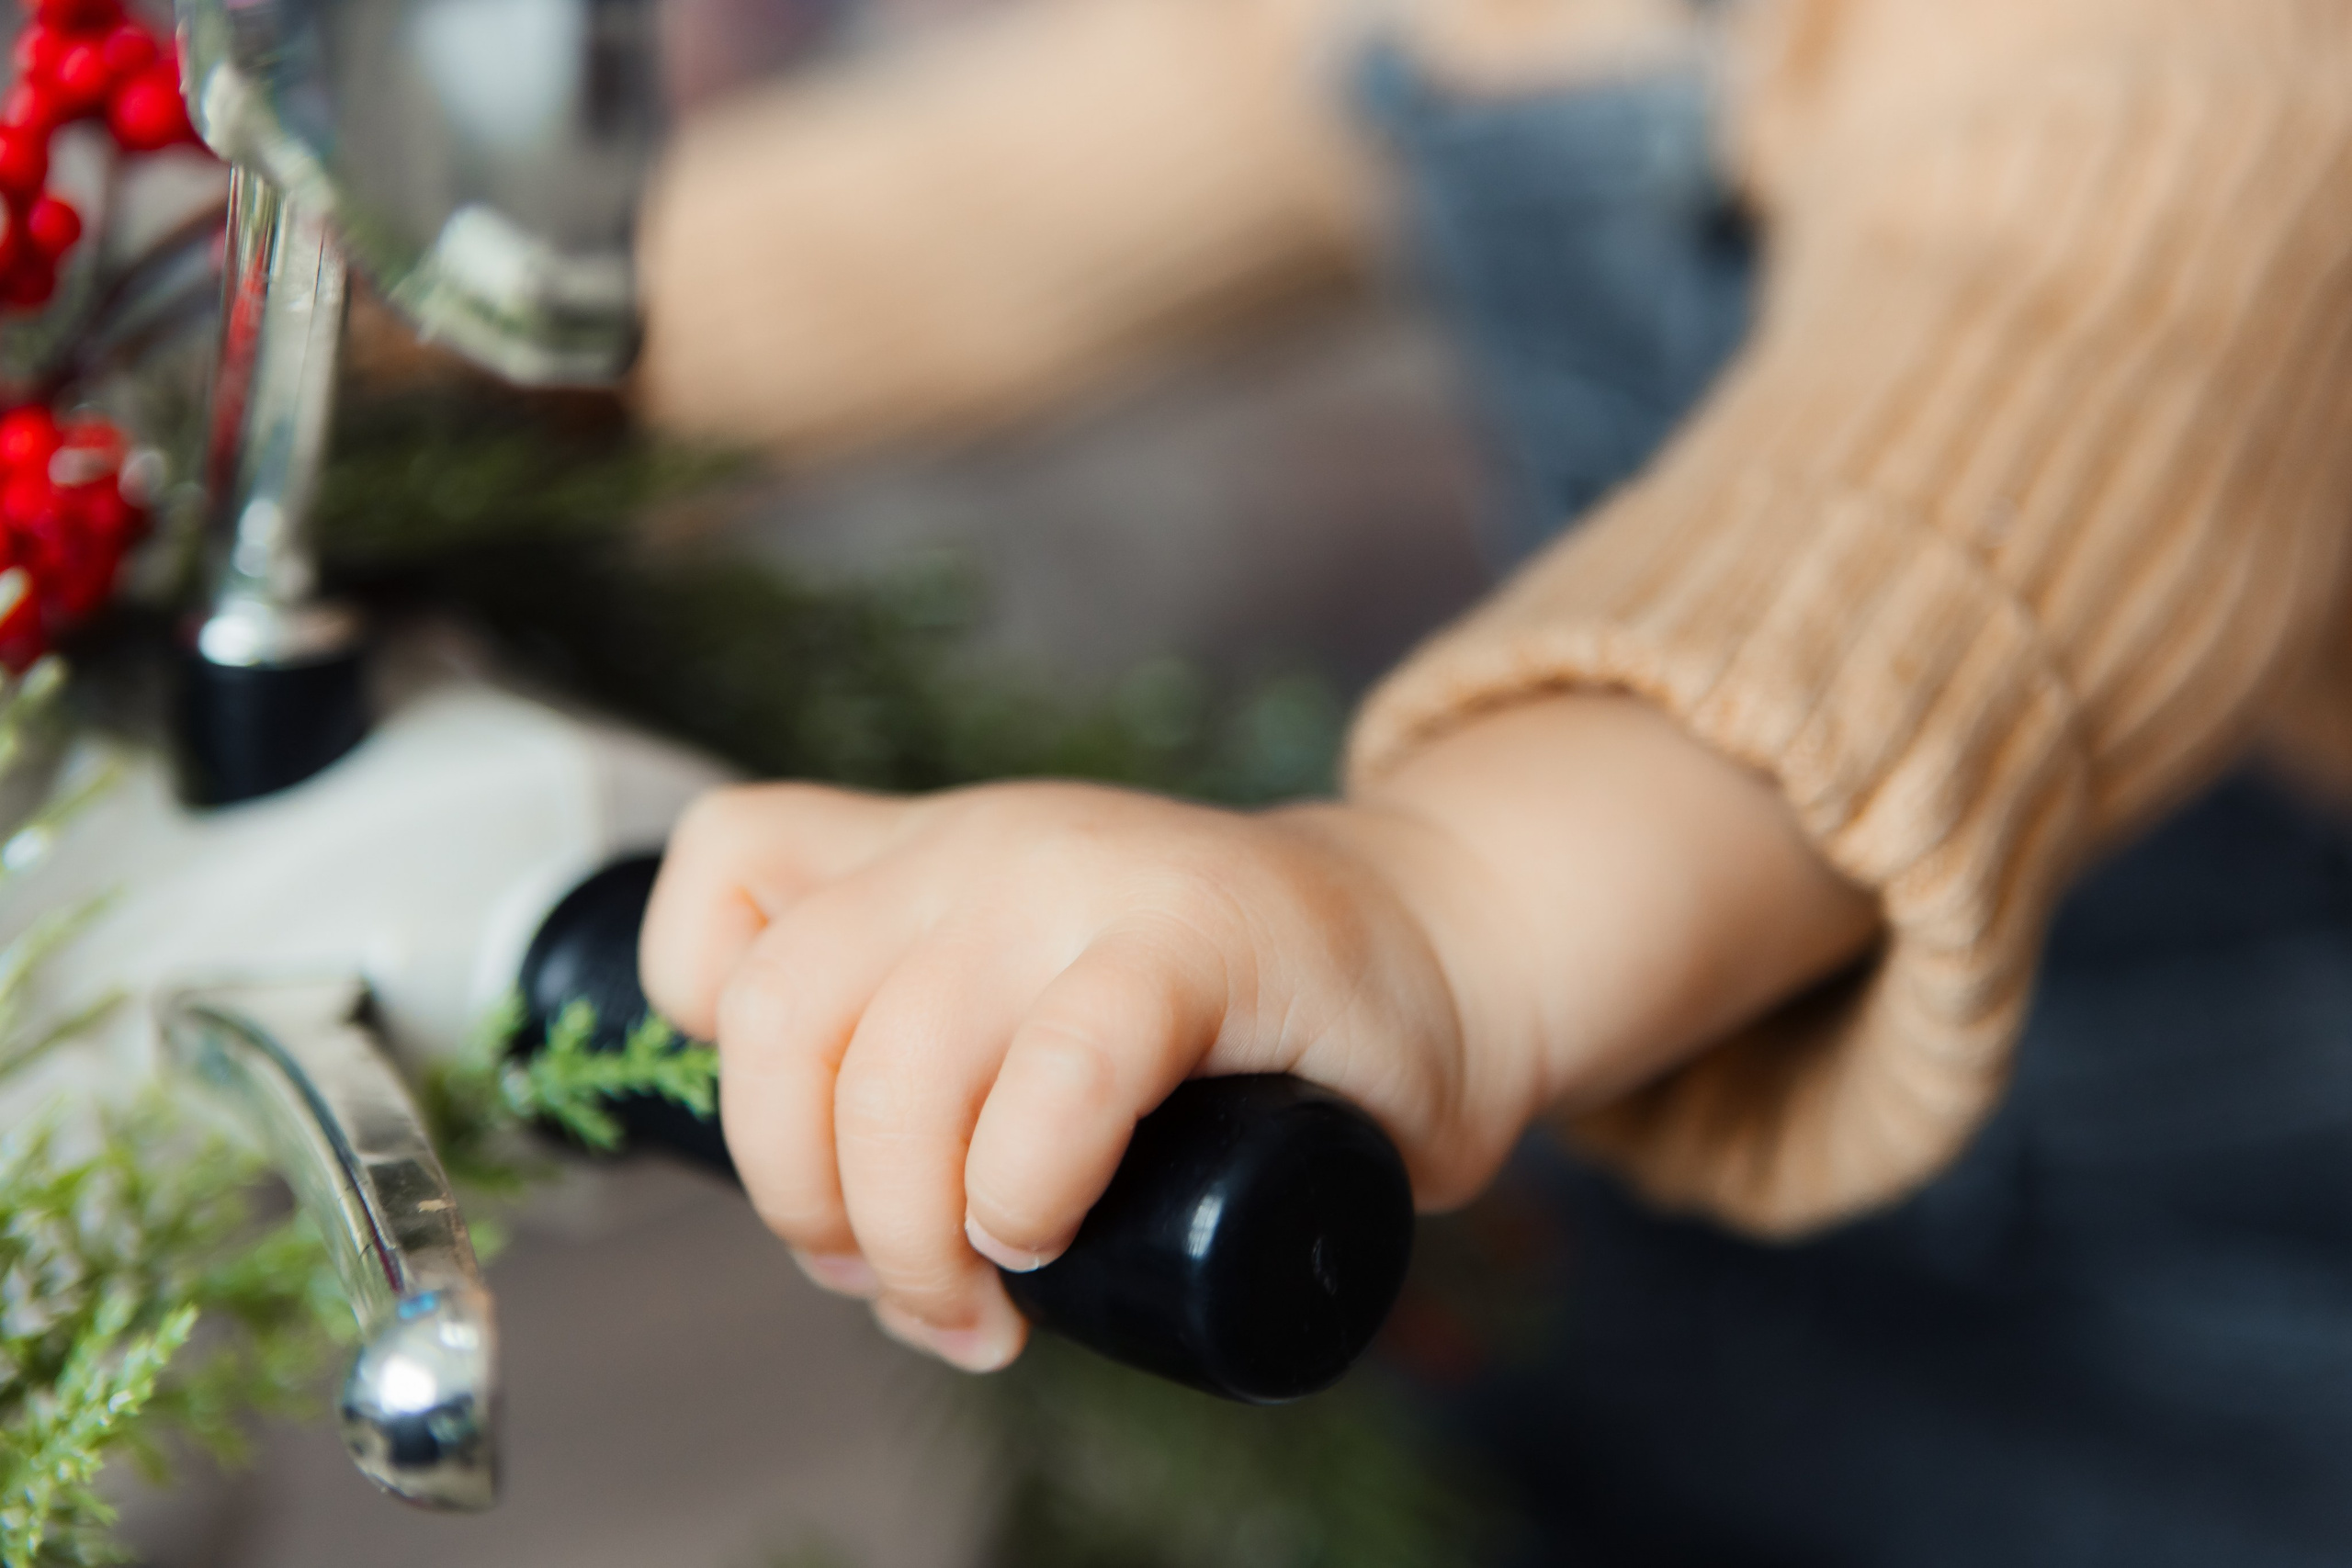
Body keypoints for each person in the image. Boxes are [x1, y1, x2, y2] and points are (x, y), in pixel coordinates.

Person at [629, 0, 2352, 1560]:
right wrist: (460, 349)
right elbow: (945, 228)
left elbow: (1960, 495)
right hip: (1675, 1202)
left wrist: (1440, 898)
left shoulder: (2192, 57)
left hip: (2216, 1318)